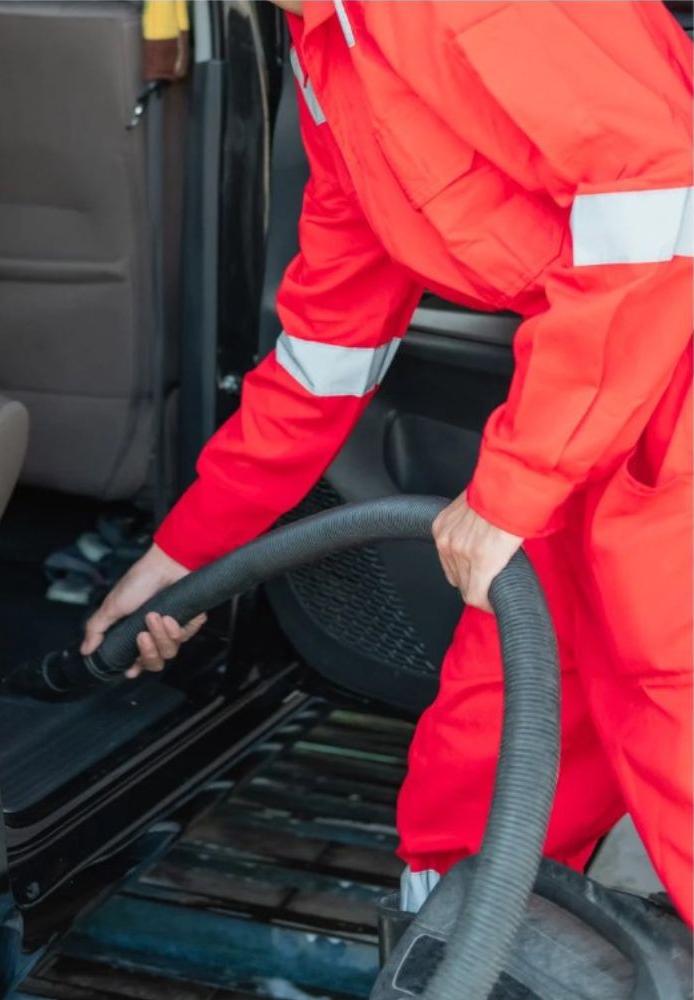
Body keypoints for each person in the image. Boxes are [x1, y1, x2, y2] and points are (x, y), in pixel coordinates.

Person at [84, 1, 693, 924]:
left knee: (675, 728)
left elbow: (660, 193)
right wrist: (185, 555)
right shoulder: (327, 44)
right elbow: (330, 342)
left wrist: (516, 485)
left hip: (651, 387)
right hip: (588, 400)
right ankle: (449, 954)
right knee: (491, 746)